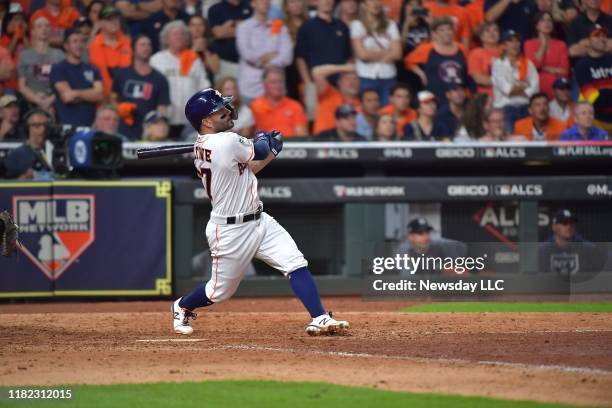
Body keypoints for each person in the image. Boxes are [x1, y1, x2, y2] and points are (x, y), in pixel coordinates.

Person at [173, 87, 350, 336]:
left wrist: (269, 149)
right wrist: (266, 142)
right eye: (218, 110)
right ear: (206, 121)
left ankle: (320, 317)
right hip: (230, 230)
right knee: (218, 292)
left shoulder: (210, 145)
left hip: (259, 219)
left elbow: (246, 172)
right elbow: (261, 150)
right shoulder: (227, 141)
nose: (226, 111)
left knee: (295, 263)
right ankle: (182, 306)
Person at [151, 21, 211, 139]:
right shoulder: (157, 59)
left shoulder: (194, 60)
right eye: (175, 34)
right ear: (166, 39)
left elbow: (204, 87)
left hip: (190, 120)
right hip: (164, 120)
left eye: (183, 34)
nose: (180, 36)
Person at [112, 35, 170, 141]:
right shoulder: (121, 74)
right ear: (133, 50)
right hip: (123, 131)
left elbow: (162, 109)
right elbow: (112, 98)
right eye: (142, 45)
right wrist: (120, 109)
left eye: (149, 45)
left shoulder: (160, 78)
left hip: (147, 133)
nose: (146, 48)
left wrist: (154, 128)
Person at [236, 0, 293, 102]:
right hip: (250, 89)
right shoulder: (244, 27)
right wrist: (272, 56)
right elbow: (247, 55)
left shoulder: (279, 26)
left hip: (276, 88)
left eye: (268, 1)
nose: (266, 3)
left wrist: (267, 64)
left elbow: (287, 57)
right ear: (253, 3)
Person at [404, 16, 469, 104]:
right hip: (435, 96)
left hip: (458, 96)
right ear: (434, 33)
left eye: (449, 29)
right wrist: (421, 74)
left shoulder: (462, 49)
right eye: (441, 30)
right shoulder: (426, 49)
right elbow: (408, 61)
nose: (446, 32)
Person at [350, 0, 402, 105]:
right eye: (371, 1)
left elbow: (397, 54)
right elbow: (363, 55)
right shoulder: (357, 25)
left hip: (388, 76)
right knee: (368, 111)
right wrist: (387, 53)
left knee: (388, 112)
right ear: (364, 5)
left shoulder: (391, 24)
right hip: (366, 76)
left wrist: (372, 54)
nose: (375, 4)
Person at [49, 29, 104, 127]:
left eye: (81, 41)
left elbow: (99, 96)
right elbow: (67, 97)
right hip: (66, 127)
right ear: (66, 46)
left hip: (90, 126)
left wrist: (76, 93)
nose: (79, 45)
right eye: (75, 41)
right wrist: (90, 95)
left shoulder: (93, 68)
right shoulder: (58, 68)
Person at [491, 30, 539, 133]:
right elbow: (506, 89)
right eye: (510, 41)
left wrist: (518, 89)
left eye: (517, 41)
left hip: (525, 107)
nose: (515, 44)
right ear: (504, 46)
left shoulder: (527, 63)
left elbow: (535, 88)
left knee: (527, 141)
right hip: (506, 109)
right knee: (509, 141)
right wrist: (525, 86)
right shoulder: (498, 64)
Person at [295, 0, 352, 86]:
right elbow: (300, 58)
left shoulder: (342, 26)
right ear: (316, 2)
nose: (327, 1)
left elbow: (348, 56)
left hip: (340, 83)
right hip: (318, 84)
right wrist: (307, 82)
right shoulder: (306, 27)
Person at [539, 209, 607, 276]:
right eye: (564, 223)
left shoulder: (589, 249)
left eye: (571, 223)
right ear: (554, 227)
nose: (569, 227)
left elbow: (601, 276)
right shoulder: (542, 250)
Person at [17, 16, 64, 110]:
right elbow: (22, 86)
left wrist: (50, 100)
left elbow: (65, 83)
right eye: (39, 26)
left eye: (47, 26)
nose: (44, 28)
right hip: (31, 104)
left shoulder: (60, 55)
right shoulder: (24, 55)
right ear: (33, 32)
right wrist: (36, 99)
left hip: (54, 103)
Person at [87, 5, 133, 98]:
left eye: (116, 18)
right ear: (100, 23)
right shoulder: (92, 46)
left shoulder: (130, 43)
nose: (114, 22)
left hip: (127, 96)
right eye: (109, 19)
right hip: (102, 101)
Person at [394, 217, 467, 275]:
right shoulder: (403, 253)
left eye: (427, 233)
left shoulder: (438, 248)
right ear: (410, 237)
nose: (426, 237)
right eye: (420, 234)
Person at [574, 25, 612, 134]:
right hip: (596, 120)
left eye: (604, 36)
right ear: (588, 41)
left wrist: (602, 92)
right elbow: (590, 94)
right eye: (597, 36)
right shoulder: (582, 65)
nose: (602, 39)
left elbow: (598, 94)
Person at [250, 67, 308, 138]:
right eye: (273, 82)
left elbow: (302, 136)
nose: (278, 85)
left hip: (291, 146)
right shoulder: (254, 106)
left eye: (280, 82)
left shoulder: (294, 105)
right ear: (264, 84)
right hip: (265, 147)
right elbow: (249, 135)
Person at [524, 11, 570, 99]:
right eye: (542, 20)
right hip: (537, 89)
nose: (547, 23)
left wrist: (544, 68)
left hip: (558, 89)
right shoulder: (529, 44)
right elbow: (534, 67)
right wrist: (543, 44)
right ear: (536, 25)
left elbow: (564, 71)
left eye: (549, 20)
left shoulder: (561, 45)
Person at [311, 63, 360, 135]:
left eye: (355, 79)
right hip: (323, 142)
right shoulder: (329, 94)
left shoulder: (362, 103)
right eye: (348, 78)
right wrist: (345, 68)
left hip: (348, 142)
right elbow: (317, 72)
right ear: (339, 82)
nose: (352, 82)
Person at [208, 0, 253, 79]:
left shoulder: (250, 5)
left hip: (249, 63)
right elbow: (218, 34)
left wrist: (229, 27)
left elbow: (255, 31)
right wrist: (244, 27)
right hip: (225, 63)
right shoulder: (215, 9)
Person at [4, 108, 53, 179]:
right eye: (37, 125)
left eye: (46, 125)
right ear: (27, 128)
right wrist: (26, 177)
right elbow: (7, 187)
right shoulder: (16, 155)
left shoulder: (56, 151)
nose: (43, 129)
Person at [468, 21, 502, 97]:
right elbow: (479, 79)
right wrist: (504, 82)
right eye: (487, 31)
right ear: (481, 36)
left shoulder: (506, 50)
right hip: (488, 97)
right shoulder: (476, 53)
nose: (492, 33)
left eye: (495, 30)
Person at [188, 15, 220, 85]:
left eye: (200, 25)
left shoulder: (211, 45)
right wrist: (194, 49)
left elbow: (216, 70)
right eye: (193, 25)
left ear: (205, 28)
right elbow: (182, 67)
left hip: (207, 84)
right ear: (188, 27)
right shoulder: (184, 44)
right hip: (189, 83)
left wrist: (205, 51)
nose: (197, 28)